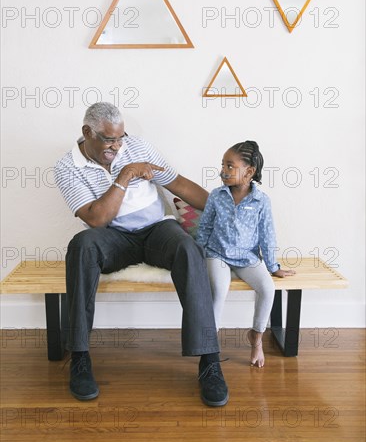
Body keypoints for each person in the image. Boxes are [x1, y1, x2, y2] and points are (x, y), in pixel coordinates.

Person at [54, 102, 228, 407]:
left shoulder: (138, 146)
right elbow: (97, 219)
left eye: (120, 138)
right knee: (81, 245)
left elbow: (179, 184)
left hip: (155, 230)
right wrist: (126, 174)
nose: (117, 145)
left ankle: (209, 361)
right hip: (113, 238)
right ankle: (80, 358)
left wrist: (225, 211)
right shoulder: (67, 168)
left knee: (189, 248)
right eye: (109, 140)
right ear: (87, 133)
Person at [196, 141, 295, 368]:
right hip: (217, 254)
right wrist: (199, 255)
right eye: (223, 165)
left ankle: (256, 337)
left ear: (249, 172)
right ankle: (210, 350)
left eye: (230, 166)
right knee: (219, 290)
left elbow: (267, 235)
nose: (223, 170)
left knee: (268, 288)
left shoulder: (261, 201)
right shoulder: (216, 196)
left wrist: (273, 266)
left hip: (247, 258)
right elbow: (205, 228)